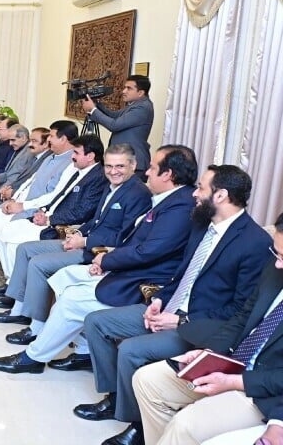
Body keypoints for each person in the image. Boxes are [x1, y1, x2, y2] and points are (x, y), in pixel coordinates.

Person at [78, 164, 272, 445]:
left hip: (200, 328)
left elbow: (241, 310)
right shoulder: (202, 225)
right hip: (169, 309)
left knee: (132, 351)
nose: (195, 193)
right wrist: (159, 300)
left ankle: (138, 426)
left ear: (220, 196)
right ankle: (116, 398)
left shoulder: (254, 242)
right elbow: (182, 275)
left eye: (202, 188)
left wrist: (181, 321)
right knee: (97, 321)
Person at [0, 145, 197, 375]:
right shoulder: (170, 200)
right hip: (122, 264)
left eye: (153, 167)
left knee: (71, 298)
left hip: (141, 281)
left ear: (167, 174)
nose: (147, 172)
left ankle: (33, 357)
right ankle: (83, 349)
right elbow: (131, 240)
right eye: (109, 165)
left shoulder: (178, 205)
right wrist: (99, 253)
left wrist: (106, 259)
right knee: (63, 280)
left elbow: (148, 251)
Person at [133, 216, 283, 445]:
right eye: (277, 253)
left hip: (264, 391)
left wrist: (234, 382)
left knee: (184, 426)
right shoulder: (274, 270)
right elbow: (243, 318)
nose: (278, 263)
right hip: (233, 364)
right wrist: (209, 354)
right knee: (147, 381)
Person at [0, 144, 152, 325]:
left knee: (38, 263)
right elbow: (96, 220)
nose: (113, 172)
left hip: (97, 251)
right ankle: (18, 307)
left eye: (120, 166)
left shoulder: (138, 193)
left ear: (133, 165)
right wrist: (78, 233)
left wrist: (84, 241)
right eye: (109, 166)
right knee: (25, 249)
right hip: (82, 240)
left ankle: (35, 325)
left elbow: (125, 237)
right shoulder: (112, 186)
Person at [0, 134, 110, 279]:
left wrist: (49, 219)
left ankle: (14, 284)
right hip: (47, 217)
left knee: (13, 241)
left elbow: (82, 212)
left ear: (90, 156)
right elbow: (59, 196)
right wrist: (43, 210)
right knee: (5, 230)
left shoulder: (98, 178)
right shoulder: (79, 172)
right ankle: (12, 282)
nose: (72, 156)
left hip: (61, 227)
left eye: (76, 153)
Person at [0, 120, 78, 267]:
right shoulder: (50, 156)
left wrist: (21, 204)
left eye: (51, 136)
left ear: (63, 139)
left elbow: (55, 195)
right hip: (20, 199)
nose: (49, 140)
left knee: (3, 228)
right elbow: (30, 180)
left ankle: (8, 275)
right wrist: (15, 198)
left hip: (35, 209)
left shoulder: (70, 162)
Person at [81, 74, 153, 177]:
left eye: (129, 88)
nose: (124, 91)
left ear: (140, 92)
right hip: (124, 161)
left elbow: (114, 125)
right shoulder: (136, 105)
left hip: (133, 163)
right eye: (125, 87)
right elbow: (114, 116)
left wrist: (93, 110)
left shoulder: (142, 108)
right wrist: (97, 104)